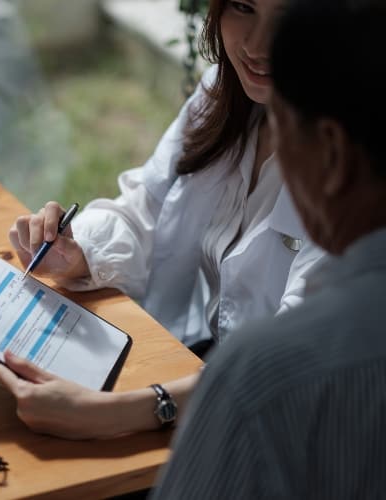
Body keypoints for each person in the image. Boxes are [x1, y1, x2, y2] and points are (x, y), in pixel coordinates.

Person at [0, 0, 325, 439]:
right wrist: (77, 253)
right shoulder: (224, 96)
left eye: (286, 16)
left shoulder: (358, 167)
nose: (257, 45)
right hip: (201, 377)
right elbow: (146, 207)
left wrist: (113, 413)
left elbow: (292, 360)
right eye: (243, 6)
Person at [152, 0, 386, 497]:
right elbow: (147, 202)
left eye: (281, 126)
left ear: (332, 151)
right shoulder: (225, 99)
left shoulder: (265, 376)